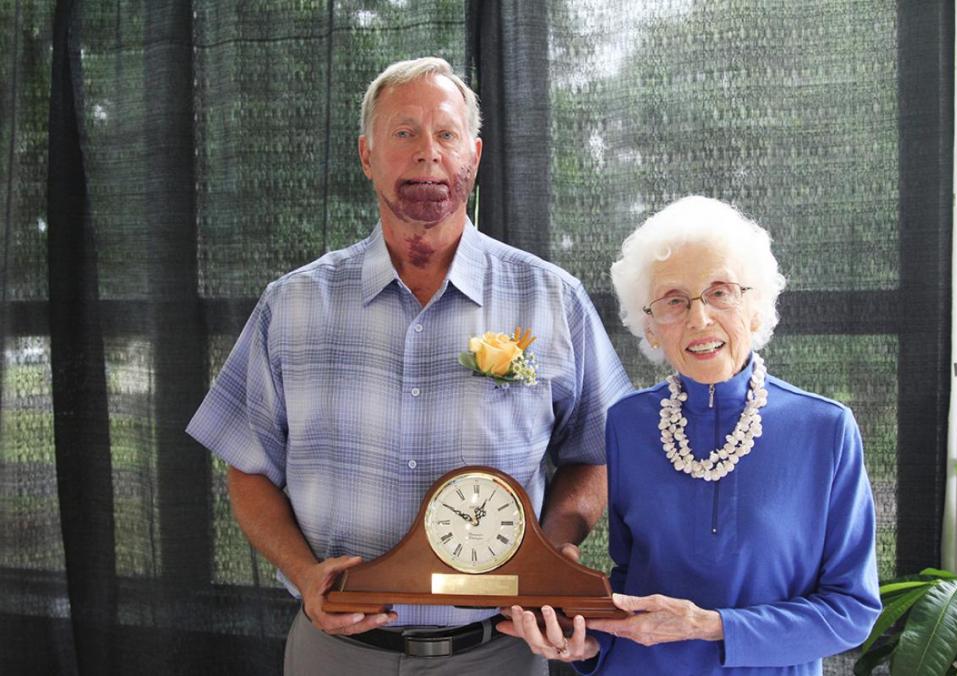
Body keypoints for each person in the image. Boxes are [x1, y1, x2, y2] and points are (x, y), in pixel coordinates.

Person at [185, 57, 631, 675]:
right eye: (404, 133)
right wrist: (304, 573)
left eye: (446, 134)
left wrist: (550, 550)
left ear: (473, 156)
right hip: (335, 653)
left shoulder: (552, 298)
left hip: (498, 652)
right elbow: (248, 468)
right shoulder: (291, 305)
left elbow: (596, 452)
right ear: (367, 155)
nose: (428, 153)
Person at [499, 196, 881, 674]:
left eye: (720, 292)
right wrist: (589, 646)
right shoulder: (627, 424)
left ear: (756, 307)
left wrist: (711, 625)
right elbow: (630, 584)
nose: (699, 319)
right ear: (652, 327)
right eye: (674, 301)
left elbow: (852, 612)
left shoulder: (825, 428)